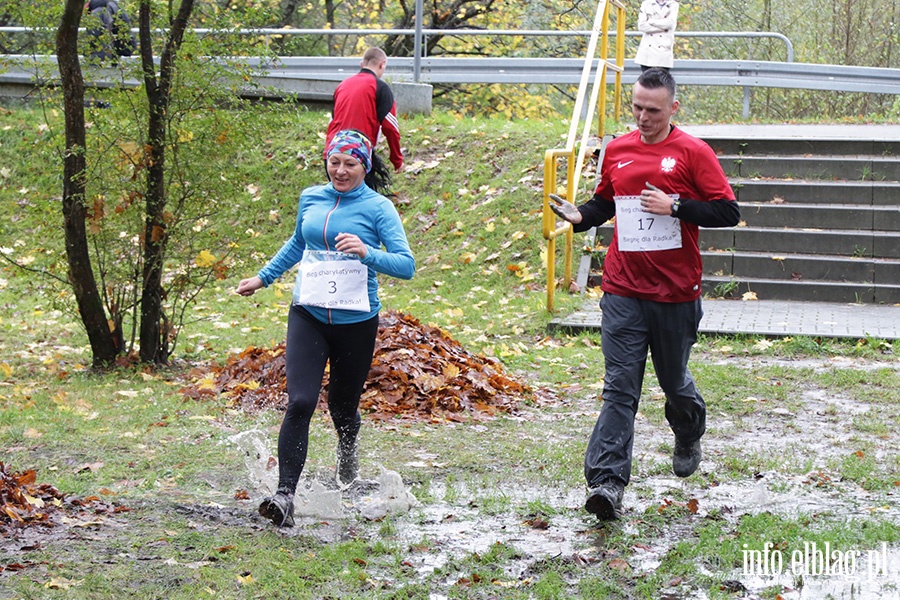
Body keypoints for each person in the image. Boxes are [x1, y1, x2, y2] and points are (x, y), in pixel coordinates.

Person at [549, 68, 739, 520]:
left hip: (674, 292)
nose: (642, 117)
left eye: (652, 110)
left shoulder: (693, 152)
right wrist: (582, 216)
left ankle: (688, 429)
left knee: (674, 382)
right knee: (620, 388)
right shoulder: (617, 149)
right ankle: (607, 484)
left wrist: (675, 206)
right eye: (636, 107)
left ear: (674, 107)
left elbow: (728, 211)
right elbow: (607, 201)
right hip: (623, 288)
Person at [236, 129, 415, 528]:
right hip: (309, 315)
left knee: (342, 406)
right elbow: (298, 243)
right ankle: (284, 496)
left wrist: (368, 254)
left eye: (350, 163)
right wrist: (262, 278)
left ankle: (347, 452)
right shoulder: (311, 197)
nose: (340, 170)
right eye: (334, 162)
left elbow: (406, 264)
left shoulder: (378, 208)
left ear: (364, 167)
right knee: (300, 401)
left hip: (356, 321)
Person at [324, 47, 403, 195]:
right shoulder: (380, 88)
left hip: (333, 155)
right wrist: (397, 160)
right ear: (382, 64)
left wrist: (330, 157)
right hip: (357, 155)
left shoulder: (342, 85)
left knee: (337, 200)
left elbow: (333, 121)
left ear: (362, 64)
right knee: (361, 204)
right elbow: (390, 127)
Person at [634, 0, 679, 72]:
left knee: (662, 81)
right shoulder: (646, 3)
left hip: (664, 51)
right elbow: (642, 26)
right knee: (646, 81)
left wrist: (651, 21)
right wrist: (663, 27)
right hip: (647, 53)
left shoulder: (673, 4)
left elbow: (670, 23)